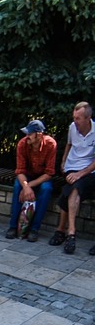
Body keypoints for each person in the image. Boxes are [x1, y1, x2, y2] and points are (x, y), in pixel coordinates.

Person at [49, 101, 95, 254]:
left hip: (88, 171)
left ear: (88, 118)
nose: (75, 121)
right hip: (71, 167)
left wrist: (80, 174)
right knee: (73, 186)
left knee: (71, 189)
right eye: (74, 117)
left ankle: (65, 231)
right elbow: (69, 145)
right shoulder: (72, 128)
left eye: (78, 118)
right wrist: (63, 161)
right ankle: (68, 233)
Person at [9, 119, 55, 242]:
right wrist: (26, 186)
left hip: (42, 177)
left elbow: (49, 173)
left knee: (46, 189)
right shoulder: (22, 144)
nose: (27, 136)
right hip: (26, 176)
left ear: (39, 135)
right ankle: (13, 226)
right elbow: (20, 170)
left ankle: (34, 229)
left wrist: (29, 186)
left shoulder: (50, 144)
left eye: (30, 134)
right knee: (17, 186)